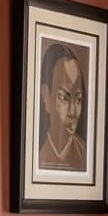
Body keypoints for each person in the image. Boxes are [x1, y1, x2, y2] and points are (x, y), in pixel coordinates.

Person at [37, 42, 87, 172]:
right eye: (64, 97)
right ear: (46, 97)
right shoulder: (36, 152)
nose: (72, 112)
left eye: (78, 99)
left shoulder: (85, 154)